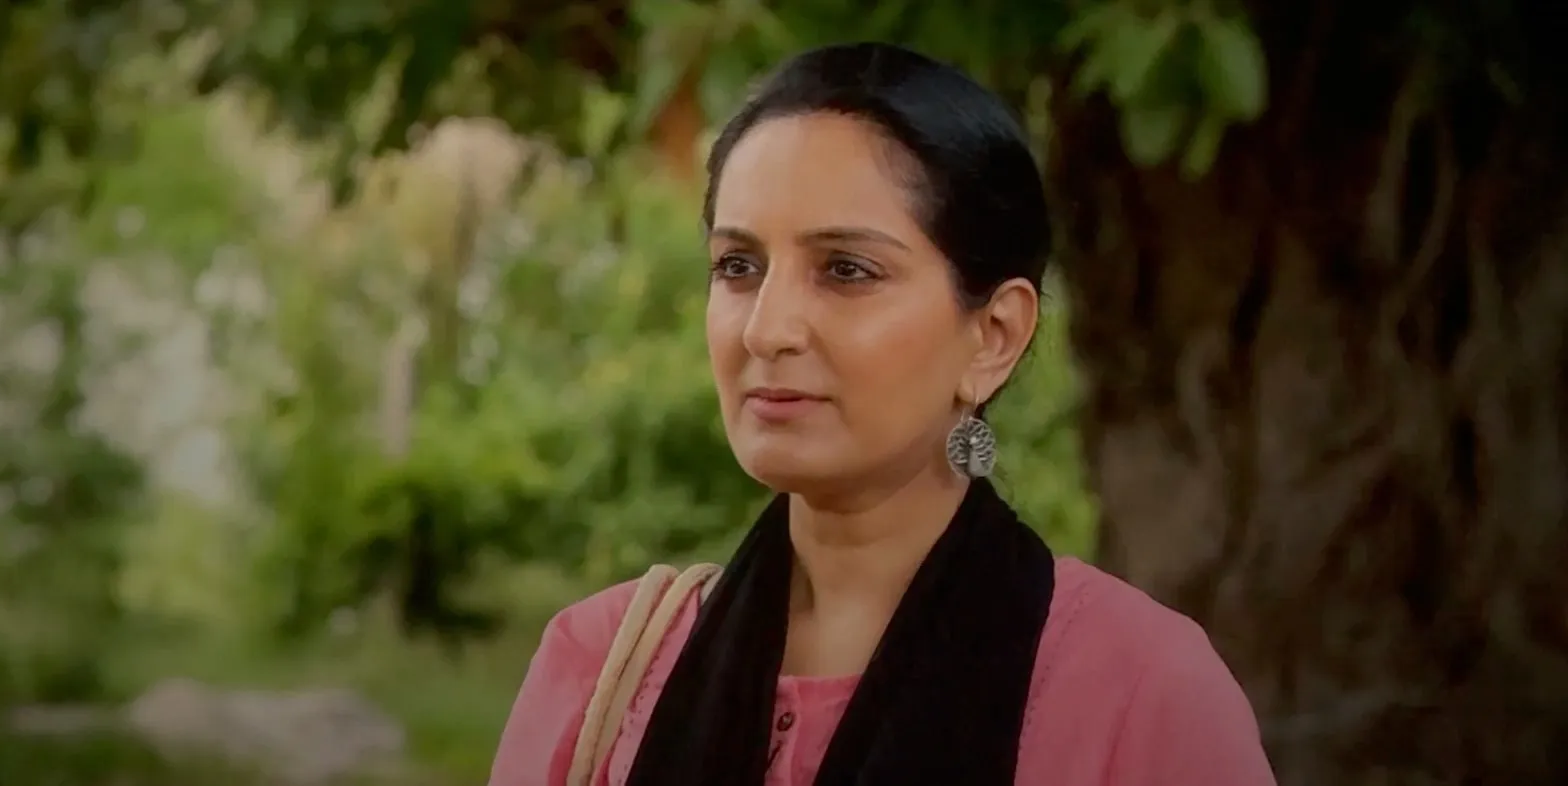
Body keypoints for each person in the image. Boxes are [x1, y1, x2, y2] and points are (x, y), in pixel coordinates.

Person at [488, 42, 1278, 786]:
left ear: (994, 336)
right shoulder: (602, 671)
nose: (766, 328)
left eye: (846, 270)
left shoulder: (1138, 693)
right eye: (738, 266)